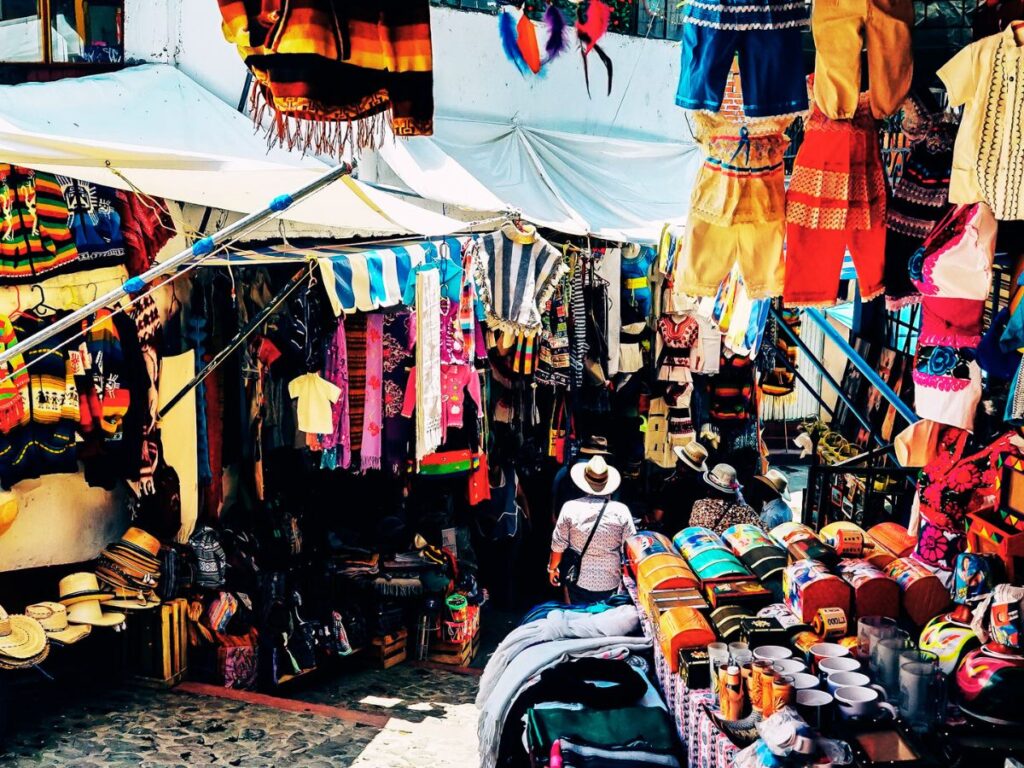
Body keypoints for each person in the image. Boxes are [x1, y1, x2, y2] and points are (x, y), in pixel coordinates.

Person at [548, 455, 636, 604]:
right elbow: (630, 549)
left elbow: (558, 545)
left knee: (576, 618)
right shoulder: (622, 511)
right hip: (610, 582)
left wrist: (553, 569)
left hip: (578, 579)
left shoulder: (570, 508)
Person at [649, 442, 709, 535]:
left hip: (670, 534)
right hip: (692, 534)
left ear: (683, 466)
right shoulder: (703, 489)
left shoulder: (671, 486)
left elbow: (657, 516)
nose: (676, 462)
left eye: (679, 460)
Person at [550, 436, 613, 522]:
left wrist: (553, 515)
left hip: (565, 517)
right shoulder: (603, 474)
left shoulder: (565, 469)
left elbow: (554, 492)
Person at [689, 463, 765, 534]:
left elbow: (694, 531)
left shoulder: (699, 505)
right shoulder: (744, 510)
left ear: (710, 487)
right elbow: (763, 531)